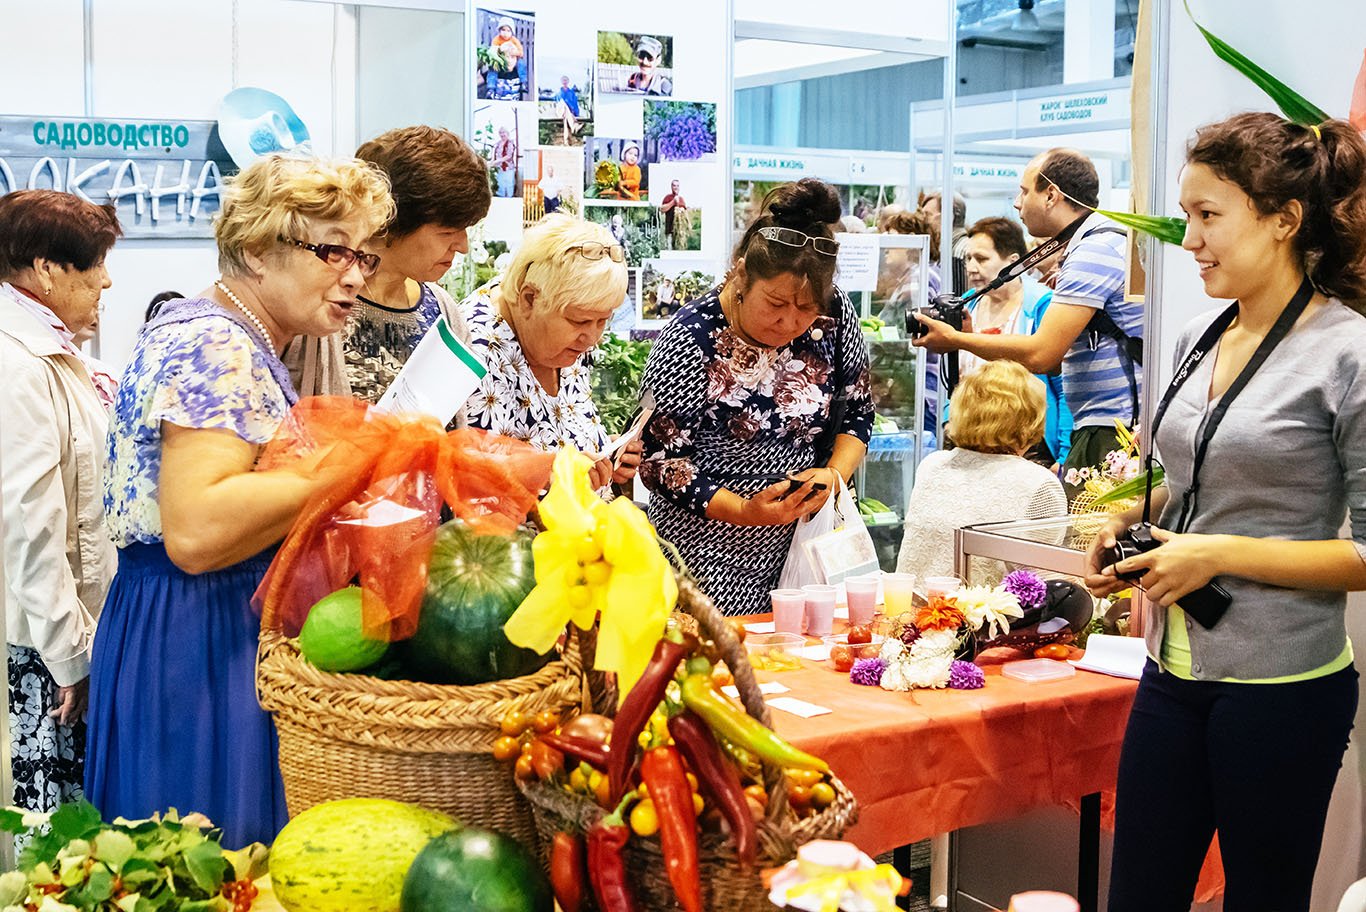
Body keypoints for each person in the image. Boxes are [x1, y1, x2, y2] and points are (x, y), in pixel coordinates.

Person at [1083, 112, 1366, 911]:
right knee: (1139, 893)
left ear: (1284, 220)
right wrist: (1129, 525)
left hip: (1281, 688)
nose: (1190, 239)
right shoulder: (1201, 338)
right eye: (1186, 217)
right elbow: (1192, 477)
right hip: (1172, 672)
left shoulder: (1349, 352)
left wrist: (1214, 554)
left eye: (1210, 217)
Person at [86, 155, 394, 847]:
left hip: (183, 625)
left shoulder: (222, 334)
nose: (353, 275)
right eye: (333, 250)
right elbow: (197, 531)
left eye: (364, 257)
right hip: (199, 636)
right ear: (257, 252)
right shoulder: (216, 344)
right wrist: (344, 464)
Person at [638, 178, 874, 616]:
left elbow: (858, 412)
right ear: (742, 273)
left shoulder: (836, 313)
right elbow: (661, 464)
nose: (790, 323)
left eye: (806, 309)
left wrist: (833, 476)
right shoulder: (692, 338)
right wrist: (746, 510)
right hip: (707, 558)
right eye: (776, 303)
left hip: (810, 551)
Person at [912, 148, 1140, 494]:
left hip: (1112, 428)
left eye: (1023, 191)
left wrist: (956, 340)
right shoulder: (1089, 243)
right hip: (1103, 423)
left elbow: (1042, 355)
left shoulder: (1095, 249)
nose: (1017, 204)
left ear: (1051, 195)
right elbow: (1056, 363)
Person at [0, 190, 121, 820]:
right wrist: (70, 654)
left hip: (68, 627)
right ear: (46, 270)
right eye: (93, 263)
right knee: (57, 834)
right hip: (45, 644)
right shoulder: (18, 363)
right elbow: (29, 524)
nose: (107, 278)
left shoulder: (56, 352)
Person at [285, 125, 492, 403]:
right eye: (447, 233)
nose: (462, 246)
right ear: (391, 221)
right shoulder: (318, 306)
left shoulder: (444, 313)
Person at [459, 214, 641, 491]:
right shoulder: (473, 347)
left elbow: (561, 432)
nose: (592, 338)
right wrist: (545, 472)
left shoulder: (559, 338)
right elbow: (460, 473)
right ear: (529, 298)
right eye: (579, 321)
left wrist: (606, 454)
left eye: (603, 320)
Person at [896, 360, 1066, 587]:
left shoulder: (933, 465)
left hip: (909, 612)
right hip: (985, 619)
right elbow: (1041, 581)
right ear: (1030, 419)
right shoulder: (1038, 483)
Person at [962, 217, 1073, 467]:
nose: (970, 267)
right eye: (968, 259)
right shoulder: (967, 304)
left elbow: (1065, 383)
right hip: (971, 438)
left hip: (1027, 444)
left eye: (981, 259)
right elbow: (958, 376)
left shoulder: (1043, 305)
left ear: (1013, 262)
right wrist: (951, 421)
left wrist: (1065, 454)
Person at [489, 17, 526, 88]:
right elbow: (492, 51)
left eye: (508, 31)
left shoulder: (514, 40)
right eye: (503, 30)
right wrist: (501, 50)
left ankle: (523, 83)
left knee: (521, 64)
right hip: (501, 61)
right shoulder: (496, 40)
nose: (505, 33)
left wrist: (513, 52)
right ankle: (491, 87)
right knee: (492, 68)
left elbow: (521, 53)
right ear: (499, 30)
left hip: (513, 62)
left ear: (512, 32)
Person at [660, 179, 691, 250]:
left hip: (679, 234)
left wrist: (684, 210)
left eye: (677, 186)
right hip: (670, 232)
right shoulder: (667, 197)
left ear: (679, 187)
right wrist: (673, 202)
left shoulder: (681, 199)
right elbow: (662, 209)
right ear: (671, 187)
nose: (676, 187)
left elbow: (685, 214)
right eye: (674, 185)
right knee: (669, 251)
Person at [492, 126, 518, 198]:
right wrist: (493, 162)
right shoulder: (498, 143)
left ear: (507, 133)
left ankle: (509, 199)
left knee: (509, 184)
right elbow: (495, 154)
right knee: (500, 184)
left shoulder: (510, 143)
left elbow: (509, 156)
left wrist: (499, 160)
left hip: (508, 168)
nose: (502, 134)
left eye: (503, 132)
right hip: (499, 168)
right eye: (500, 133)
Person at [556, 75, 582, 143]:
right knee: (563, 104)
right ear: (561, 82)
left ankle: (566, 140)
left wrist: (576, 112)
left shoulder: (571, 93)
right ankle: (574, 126)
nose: (564, 82)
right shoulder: (559, 93)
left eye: (566, 80)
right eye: (563, 80)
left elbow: (575, 103)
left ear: (568, 82)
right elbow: (559, 104)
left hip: (569, 113)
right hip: (561, 111)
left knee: (566, 118)